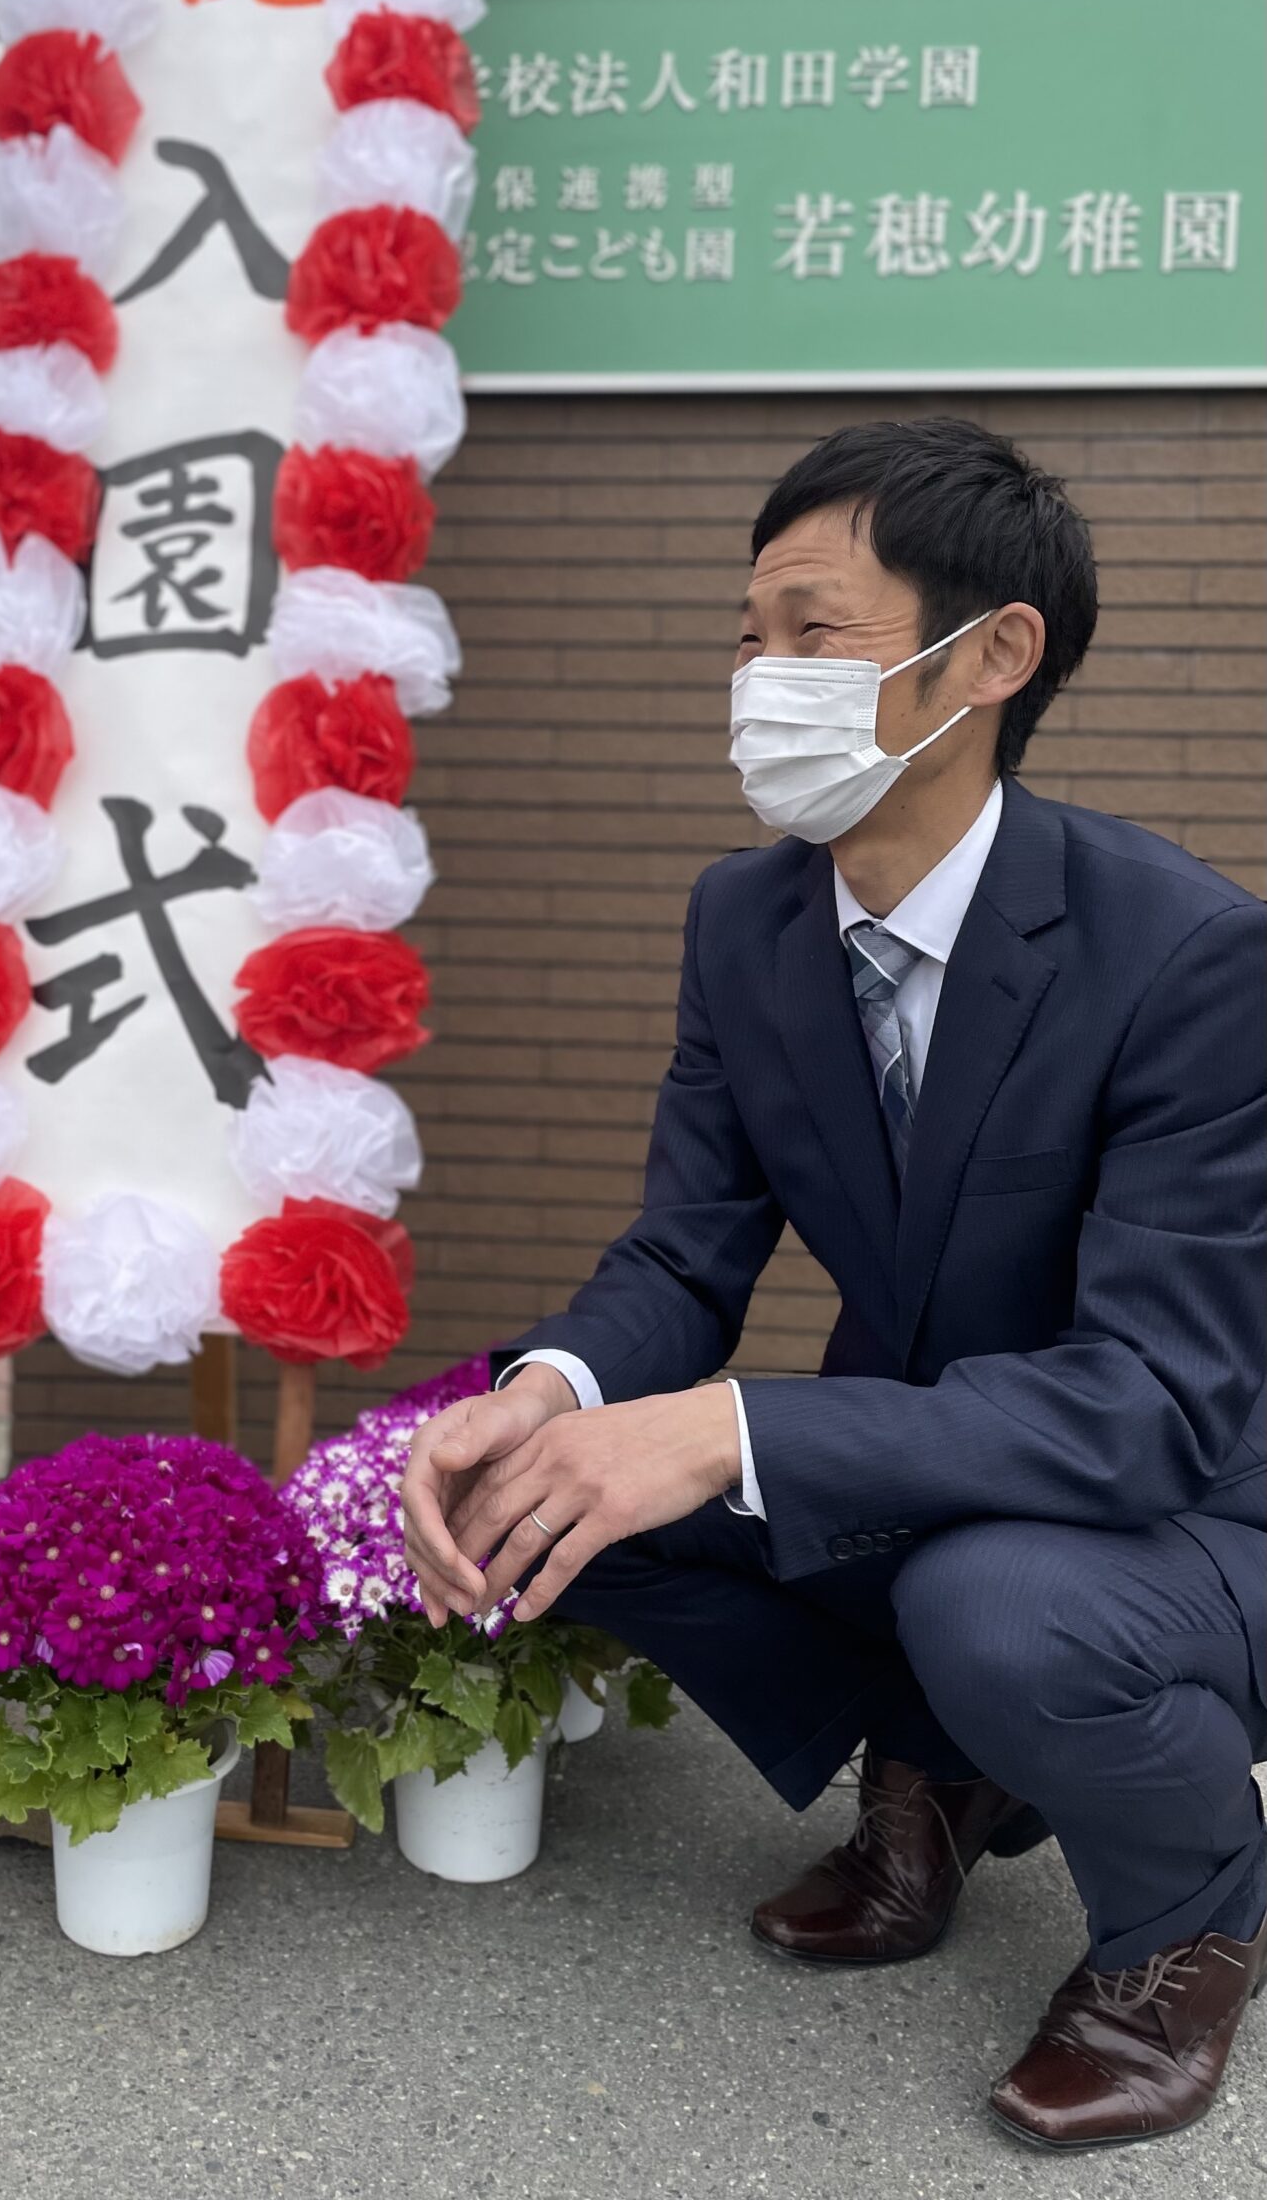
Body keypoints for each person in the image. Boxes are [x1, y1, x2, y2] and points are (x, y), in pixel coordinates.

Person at [401, 418, 1265, 2154]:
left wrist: (725, 1431)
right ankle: (939, 1770)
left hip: (1191, 1504)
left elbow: (1158, 1400)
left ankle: (1192, 1920)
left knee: (992, 1608)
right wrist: (551, 1396)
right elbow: (685, 1246)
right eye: (747, 635)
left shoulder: (1184, 956)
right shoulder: (747, 923)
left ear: (994, 656)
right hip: (939, 1461)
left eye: (813, 631)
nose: (758, 679)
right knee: (551, 1487)